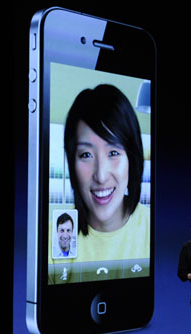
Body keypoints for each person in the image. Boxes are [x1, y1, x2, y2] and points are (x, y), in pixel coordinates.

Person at [52, 84, 150, 277]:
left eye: (113, 152)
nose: (101, 175)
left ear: (132, 158)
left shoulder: (154, 230)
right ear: (72, 162)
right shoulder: (51, 236)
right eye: (86, 155)